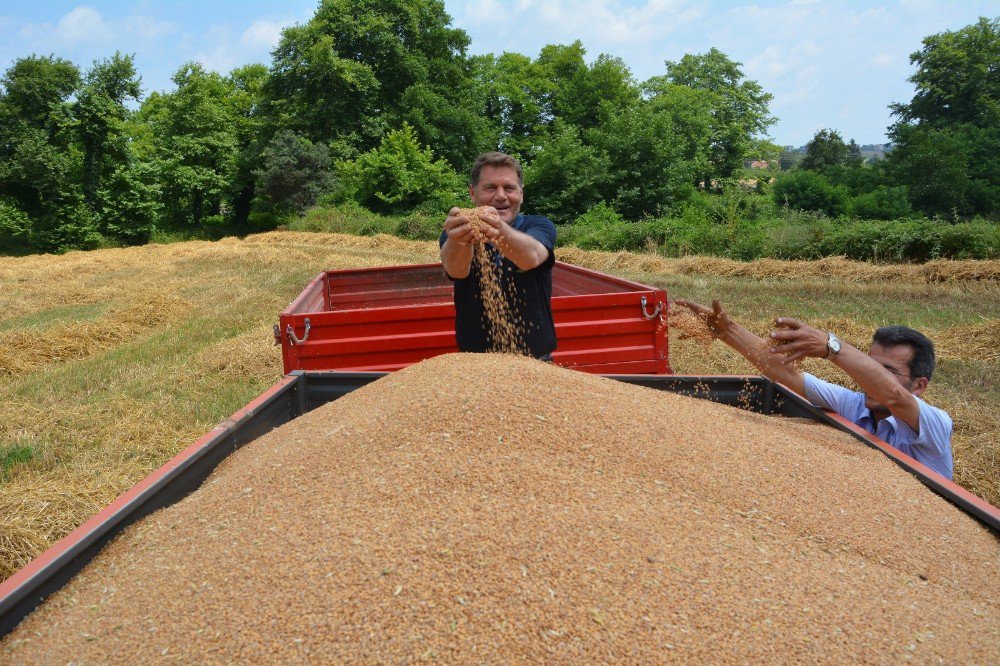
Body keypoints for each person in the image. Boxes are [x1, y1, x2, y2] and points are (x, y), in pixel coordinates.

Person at [674, 298, 954, 479]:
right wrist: (729, 331)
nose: (872, 378)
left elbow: (894, 395)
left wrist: (831, 346)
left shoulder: (935, 425)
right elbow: (786, 374)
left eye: (888, 371)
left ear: (919, 385)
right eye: (871, 365)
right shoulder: (855, 405)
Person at [440, 152, 557, 359]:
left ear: (521, 193)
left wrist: (496, 228)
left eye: (509, 188)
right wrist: (460, 239)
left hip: (535, 363)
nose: (501, 196)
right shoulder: (458, 231)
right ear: (472, 194)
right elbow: (456, 270)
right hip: (475, 362)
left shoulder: (538, 225)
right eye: (490, 188)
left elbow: (531, 257)